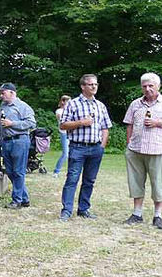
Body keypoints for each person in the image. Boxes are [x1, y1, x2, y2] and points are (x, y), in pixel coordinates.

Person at [59, 74, 111, 221]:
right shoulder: (73, 104)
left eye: (95, 84)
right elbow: (63, 125)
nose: (94, 86)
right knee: (72, 179)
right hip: (78, 147)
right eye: (90, 84)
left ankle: (84, 209)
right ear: (83, 86)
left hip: (96, 148)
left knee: (89, 180)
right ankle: (66, 211)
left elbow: (105, 127)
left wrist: (102, 145)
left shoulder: (100, 105)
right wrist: (81, 122)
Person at [122, 72, 162, 228]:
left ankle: (158, 215)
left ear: (158, 86)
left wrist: (157, 122)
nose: (147, 89)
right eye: (144, 86)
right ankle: (137, 213)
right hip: (135, 150)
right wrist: (128, 145)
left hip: (157, 150)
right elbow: (129, 124)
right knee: (135, 183)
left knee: (158, 183)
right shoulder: (135, 104)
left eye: (151, 85)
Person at [0, 82, 37, 209]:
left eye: (3, 93)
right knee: (10, 172)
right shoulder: (2, 106)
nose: (1, 95)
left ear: (12, 93)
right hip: (6, 141)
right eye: (0, 93)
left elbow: (31, 123)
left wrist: (13, 123)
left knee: (18, 171)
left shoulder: (23, 106)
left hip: (20, 141)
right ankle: (24, 198)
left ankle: (16, 200)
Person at [53, 95, 72, 177]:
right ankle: (56, 171)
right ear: (63, 102)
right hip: (64, 133)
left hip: (71, 133)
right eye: (68, 101)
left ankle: (70, 171)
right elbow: (61, 119)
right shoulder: (59, 111)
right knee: (65, 154)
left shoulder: (70, 110)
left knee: (72, 154)